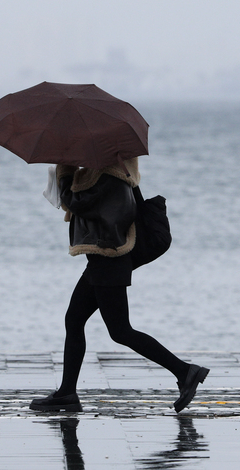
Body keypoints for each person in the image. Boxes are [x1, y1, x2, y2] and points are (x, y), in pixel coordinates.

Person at [30, 158, 209, 413]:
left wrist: (65, 173)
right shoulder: (107, 170)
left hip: (109, 257)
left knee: (120, 331)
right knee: (74, 320)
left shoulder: (109, 174)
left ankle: (185, 371)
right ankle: (67, 393)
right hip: (102, 258)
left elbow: (79, 203)